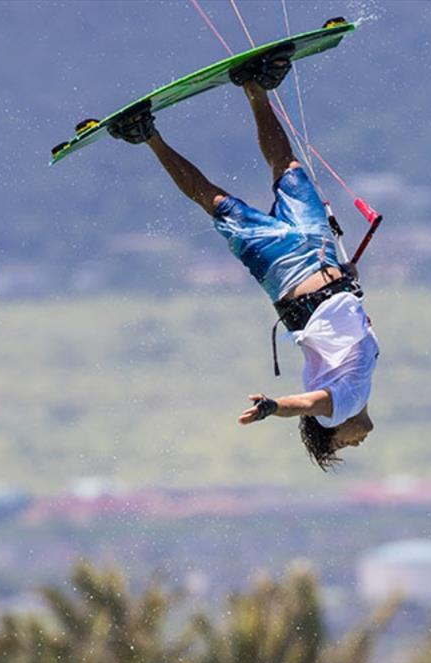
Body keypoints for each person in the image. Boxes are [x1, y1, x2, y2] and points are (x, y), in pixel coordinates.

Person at [107, 46, 379, 471]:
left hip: (287, 272)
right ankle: (253, 85)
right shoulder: (356, 384)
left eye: (342, 446)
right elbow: (345, 326)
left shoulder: (341, 404)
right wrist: (347, 279)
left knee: (217, 202)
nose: (355, 443)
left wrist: (275, 407)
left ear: (332, 429)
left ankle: (147, 135)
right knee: (286, 168)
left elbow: (307, 403)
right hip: (321, 255)